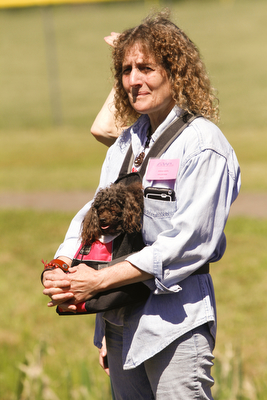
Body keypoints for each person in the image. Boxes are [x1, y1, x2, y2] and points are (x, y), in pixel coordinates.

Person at [42, 11, 241, 400]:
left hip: (174, 325)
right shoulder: (128, 141)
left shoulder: (202, 144)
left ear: (175, 72)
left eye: (146, 67)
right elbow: (94, 214)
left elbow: (187, 243)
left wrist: (98, 280)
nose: (134, 79)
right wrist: (63, 265)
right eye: (127, 69)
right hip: (120, 323)